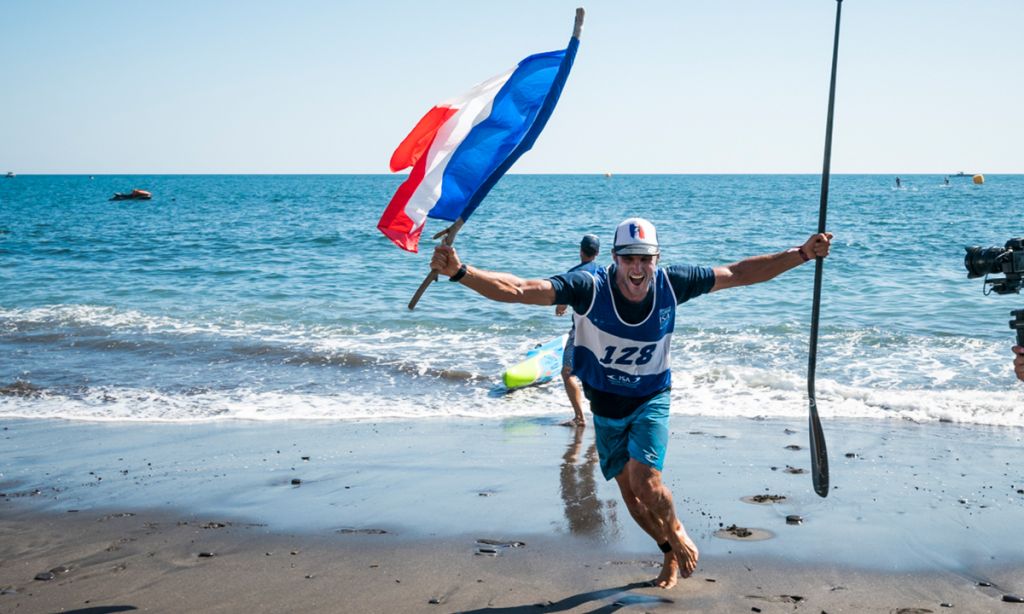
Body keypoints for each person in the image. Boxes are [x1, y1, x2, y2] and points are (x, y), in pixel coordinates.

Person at [431, 217, 833, 589]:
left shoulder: (674, 283)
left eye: (645, 259)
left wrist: (800, 254)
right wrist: (462, 274)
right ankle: (667, 554)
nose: (637, 269)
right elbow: (520, 289)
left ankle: (676, 532)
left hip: (650, 398)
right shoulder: (588, 287)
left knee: (646, 482)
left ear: (657, 259)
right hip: (605, 407)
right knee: (631, 499)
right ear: (614, 259)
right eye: (629, 260)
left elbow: (739, 273)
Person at [555, 234, 601, 427]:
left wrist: (560, 307)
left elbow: (562, 305)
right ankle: (602, 417)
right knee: (599, 374)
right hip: (605, 332)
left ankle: (580, 417)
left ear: (581, 251)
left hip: (581, 332)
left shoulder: (574, 273)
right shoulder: (606, 272)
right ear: (597, 253)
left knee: (568, 372)